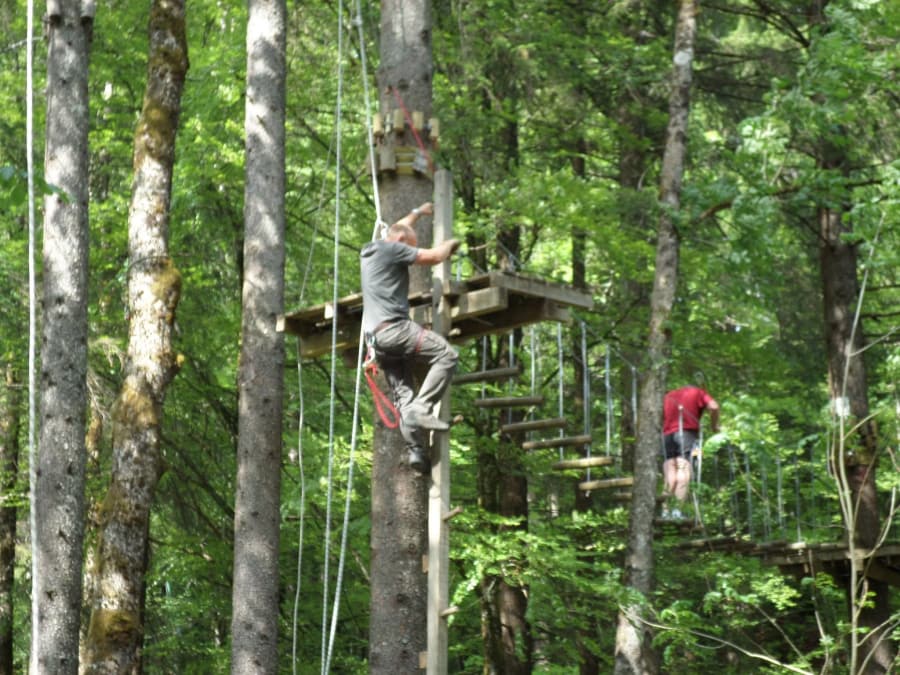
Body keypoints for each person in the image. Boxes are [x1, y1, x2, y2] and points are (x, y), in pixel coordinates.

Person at [360, 201, 460, 474]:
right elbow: (436, 256)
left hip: (378, 343)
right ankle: (423, 407)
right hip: (395, 330)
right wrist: (452, 243)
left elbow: (399, 229)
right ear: (401, 242)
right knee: (446, 355)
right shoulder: (394, 249)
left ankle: (416, 452)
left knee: (403, 397)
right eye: (408, 244)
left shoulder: (373, 251)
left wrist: (417, 212)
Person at [660, 384, 720, 519]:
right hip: (687, 434)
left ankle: (665, 511)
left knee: (670, 473)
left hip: (667, 436)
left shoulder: (668, 395)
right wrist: (715, 426)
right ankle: (676, 511)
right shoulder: (699, 392)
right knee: (684, 470)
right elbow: (714, 406)